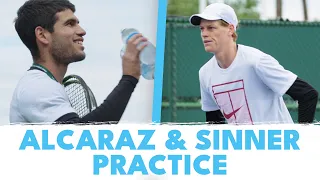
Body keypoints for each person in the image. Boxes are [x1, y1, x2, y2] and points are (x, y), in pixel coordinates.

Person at [9, 0, 148, 124]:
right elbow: (78, 139)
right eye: (70, 24)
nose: (82, 31)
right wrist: (129, 78)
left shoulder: (43, 84)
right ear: (42, 35)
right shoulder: (37, 86)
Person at [189, 3, 318, 124]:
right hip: (242, 147)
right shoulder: (205, 73)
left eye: (211, 28)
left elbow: (307, 95)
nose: (204, 34)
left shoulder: (256, 61)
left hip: (278, 147)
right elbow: (214, 122)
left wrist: (301, 138)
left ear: (230, 29)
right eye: (202, 29)